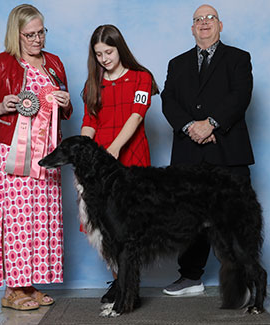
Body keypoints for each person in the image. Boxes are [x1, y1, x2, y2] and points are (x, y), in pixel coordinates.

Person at [0, 4, 72, 310]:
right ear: (16, 34)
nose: (38, 39)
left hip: (47, 152)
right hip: (14, 152)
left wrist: (66, 102)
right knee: (18, 218)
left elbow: (66, 110)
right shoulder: (2, 63)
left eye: (41, 32)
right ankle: (12, 290)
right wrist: (0, 106)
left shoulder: (55, 63)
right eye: (30, 34)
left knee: (40, 218)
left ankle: (28, 286)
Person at [161, 4, 254, 296]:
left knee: (235, 219)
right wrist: (191, 126)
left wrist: (211, 123)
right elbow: (168, 100)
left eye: (209, 18)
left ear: (220, 25)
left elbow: (240, 96)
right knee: (188, 218)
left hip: (228, 153)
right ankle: (190, 277)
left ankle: (242, 280)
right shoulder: (177, 63)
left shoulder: (239, 58)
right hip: (189, 154)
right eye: (198, 20)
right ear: (192, 28)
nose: (204, 23)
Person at [81, 24, 159, 303]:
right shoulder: (93, 84)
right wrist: (83, 153)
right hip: (101, 162)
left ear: (119, 48)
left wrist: (114, 147)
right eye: (98, 53)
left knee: (129, 224)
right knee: (105, 224)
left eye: (108, 51)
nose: (104, 58)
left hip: (131, 157)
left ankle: (128, 282)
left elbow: (137, 115)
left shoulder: (142, 78)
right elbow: (89, 122)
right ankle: (118, 280)